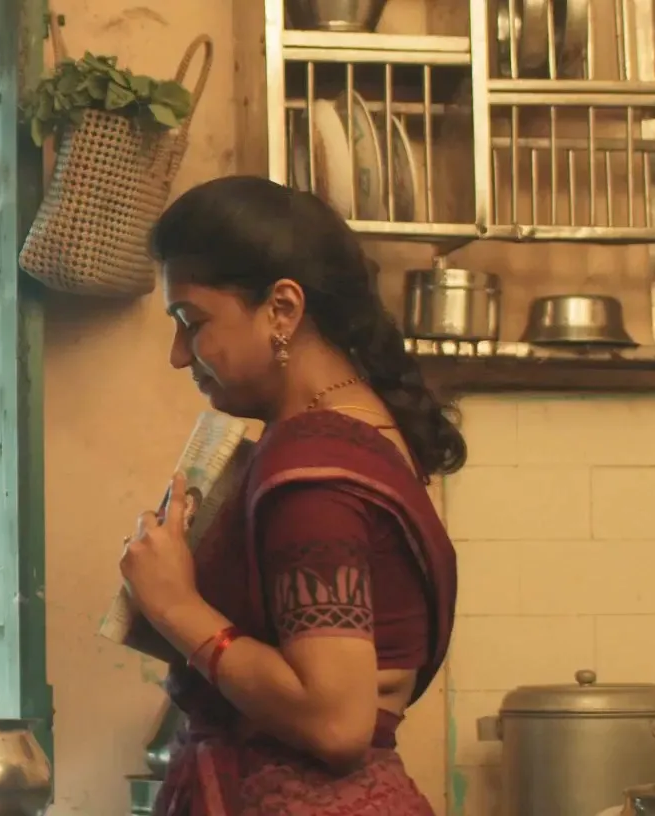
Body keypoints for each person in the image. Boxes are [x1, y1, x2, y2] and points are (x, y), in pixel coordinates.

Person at [118, 175, 463, 815]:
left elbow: (336, 722)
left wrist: (175, 606)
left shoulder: (313, 464)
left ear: (282, 309)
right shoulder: (364, 432)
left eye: (192, 322)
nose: (178, 355)